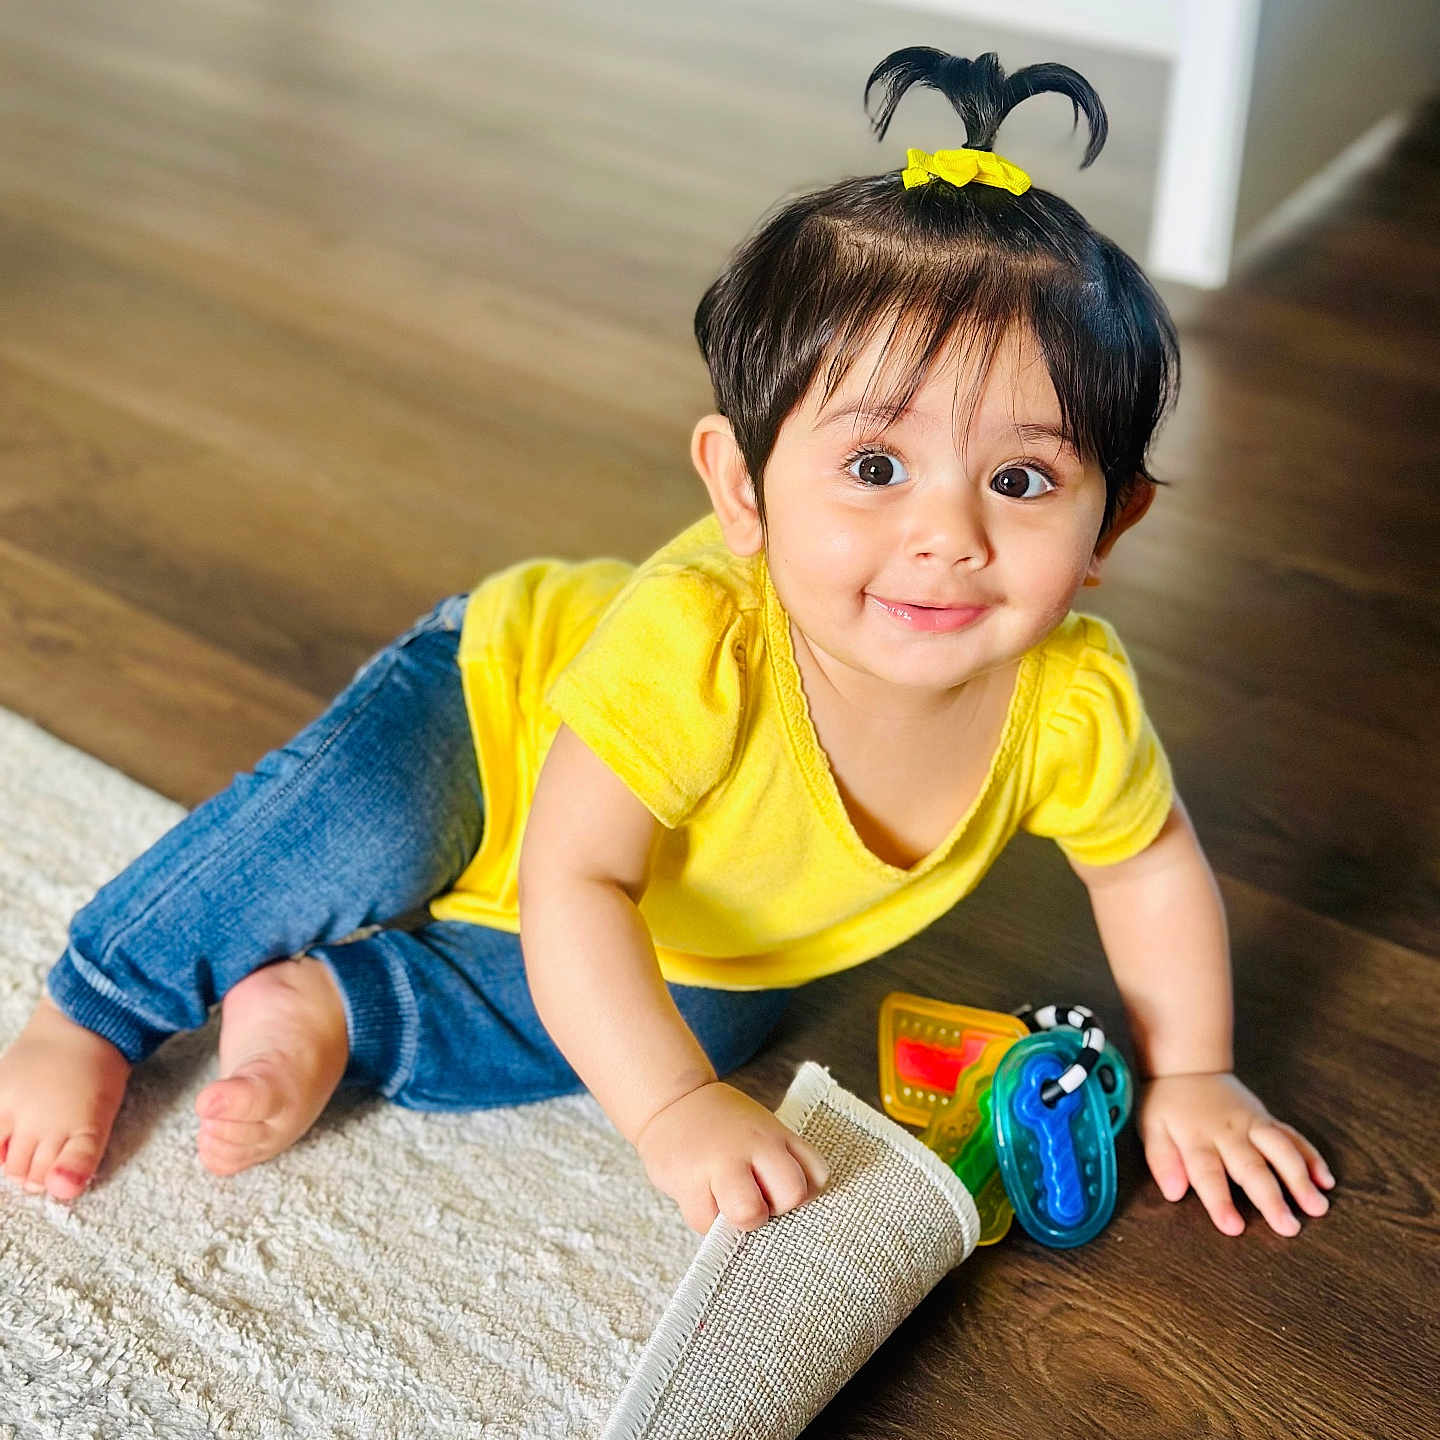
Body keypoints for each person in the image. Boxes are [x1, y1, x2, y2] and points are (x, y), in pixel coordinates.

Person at [0, 47, 1334, 1240]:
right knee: (369, 822)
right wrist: (673, 1116)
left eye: (1024, 482)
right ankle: (96, 1006)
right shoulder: (702, 638)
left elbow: (1150, 870)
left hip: (715, 898)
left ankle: (351, 1009)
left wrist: (1197, 1069)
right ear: (742, 488)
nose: (949, 536)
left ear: (1119, 519)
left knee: (693, 1012)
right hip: (495, 712)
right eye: (875, 464)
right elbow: (577, 878)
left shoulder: (1070, 699)